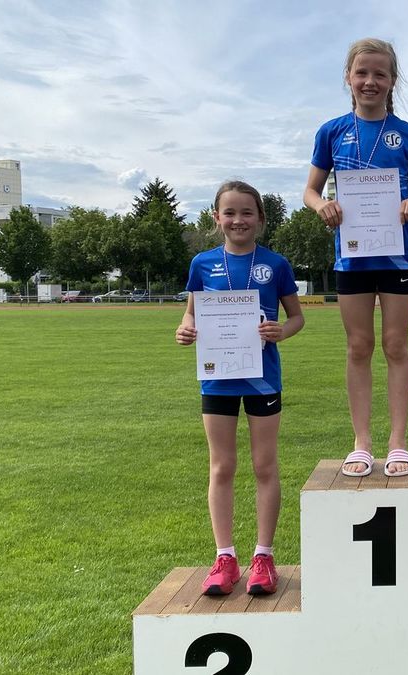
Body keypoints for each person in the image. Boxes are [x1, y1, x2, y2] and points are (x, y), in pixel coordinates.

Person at [303, 37, 408, 478]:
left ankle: (398, 443)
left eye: (380, 74)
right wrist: (321, 206)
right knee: (358, 346)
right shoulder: (331, 131)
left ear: (392, 80)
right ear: (348, 77)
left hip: (398, 256)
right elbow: (310, 191)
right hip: (353, 257)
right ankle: (361, 443)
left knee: (395, 345)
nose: (370, 81)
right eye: (362, 73)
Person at [175, 181, 304, 596]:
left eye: (247, 212)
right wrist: (184, 329)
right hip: (217, 379)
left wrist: (281, 330)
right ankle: (225, 557)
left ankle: (263, 557)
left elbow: (297, 318)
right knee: (221, 467)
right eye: (229, 213)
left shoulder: (276, 264)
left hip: (262, 377)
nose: (238, 220)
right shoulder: (201, 263)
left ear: (260, 219)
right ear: (216, 218)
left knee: (265, 466)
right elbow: (190, 315)